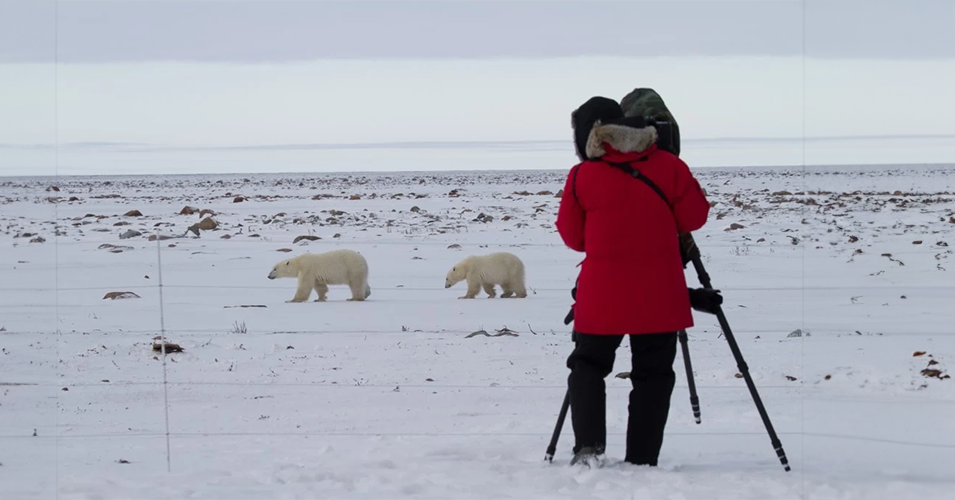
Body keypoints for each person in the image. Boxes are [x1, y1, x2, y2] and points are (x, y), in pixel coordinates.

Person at [555, 96, 711, 467]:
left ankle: (589, 448)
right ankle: (642, 459)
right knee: (654, 373)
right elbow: (695, 217)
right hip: (660, 292)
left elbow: (573, 238)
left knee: (588, 366)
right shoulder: (670, 166)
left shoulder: (581, 175)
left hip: (602, 294)